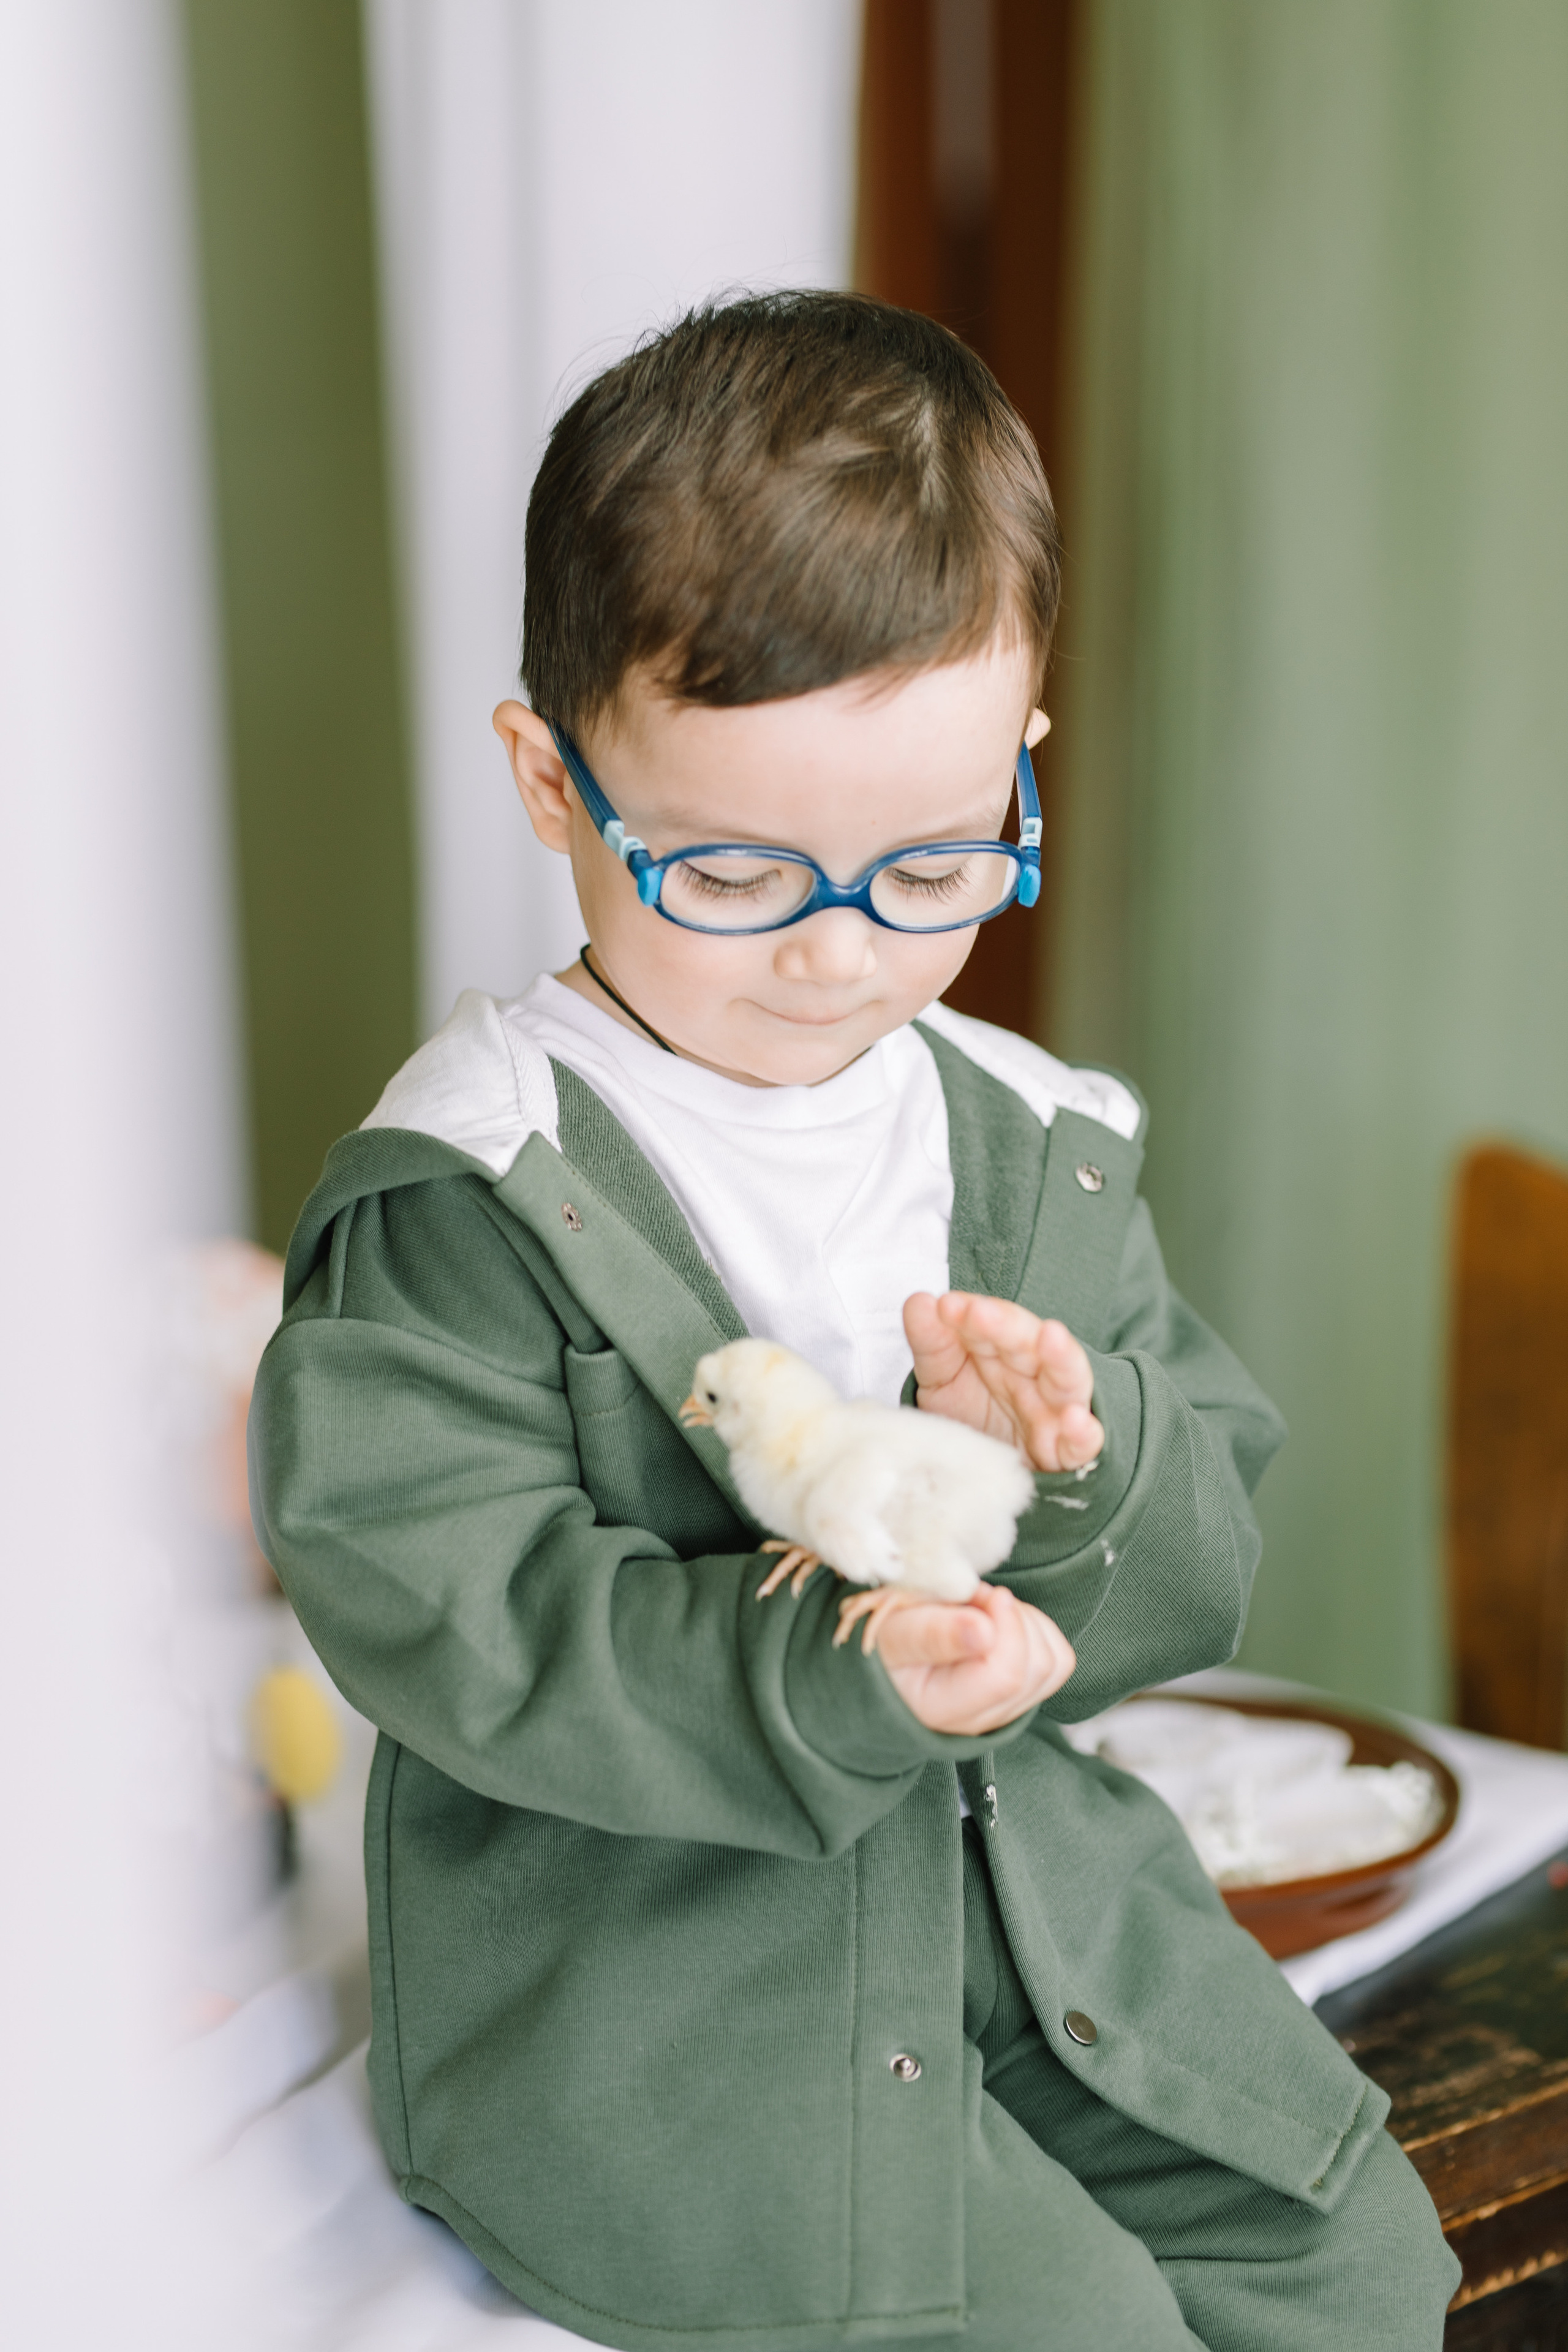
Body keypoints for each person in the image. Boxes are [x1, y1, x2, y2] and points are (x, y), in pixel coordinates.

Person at [251, 292, 1458, 2350]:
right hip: (661, 2005)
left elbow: (1186, 1573)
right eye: (729, 872)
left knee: (1349, 2255)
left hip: (1035, 1918)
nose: (834, 955)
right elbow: (452, 1609)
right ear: (552, 782)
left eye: (931, 864)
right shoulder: (478, 1186)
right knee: (1063, 2325)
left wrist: (1069, 1476)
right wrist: (838, 1663)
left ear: (1021, 768)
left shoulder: (1025, 1144)